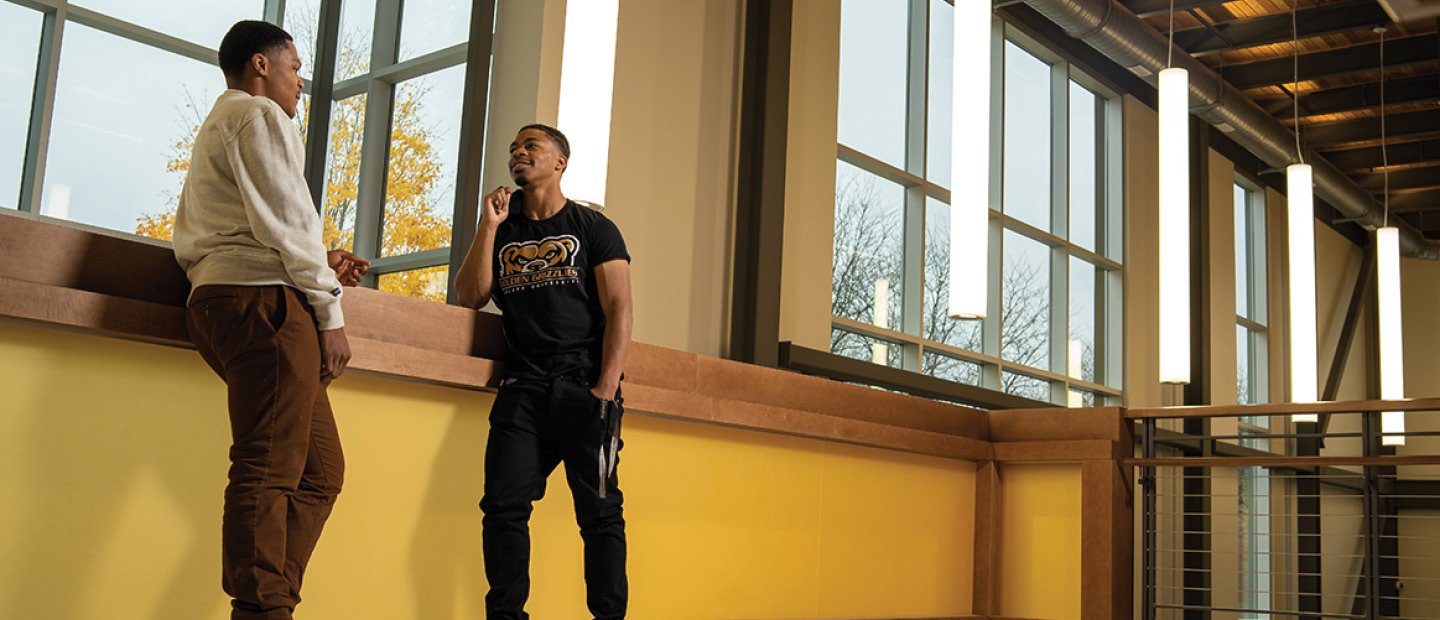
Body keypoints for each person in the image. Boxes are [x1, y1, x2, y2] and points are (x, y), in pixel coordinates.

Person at [172, 20, 369, 620]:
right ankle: (263, 609)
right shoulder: (258, 117)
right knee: (269, 466)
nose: (300, 82)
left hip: (235, 298)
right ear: (261, 65)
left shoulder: (222, 122)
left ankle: (267, 602)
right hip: (262, 304)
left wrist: (317, 266)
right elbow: (287, 224)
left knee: (319, 471)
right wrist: (329, 312)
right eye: (294, 67)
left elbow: (265, 227)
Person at [456, 124, 634, 619]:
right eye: (513, 148)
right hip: (523, 387)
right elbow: (470, 295)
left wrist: (605, 388)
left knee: (599, 515)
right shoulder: (503, 226)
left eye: (530, 146)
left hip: (584, 386)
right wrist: (488, 226)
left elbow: (620, 307)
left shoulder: (592, 226)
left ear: (560, 161)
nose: (518, 153)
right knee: (503, 508)